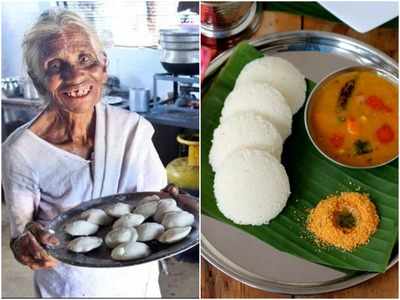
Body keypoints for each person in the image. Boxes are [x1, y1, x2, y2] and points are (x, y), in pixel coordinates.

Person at [2, 9, 167, 297]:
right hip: (72, 289)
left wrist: (175, 202)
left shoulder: (132, 129)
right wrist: (27, 247)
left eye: (85, 59)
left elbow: (159, 201)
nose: (75, 76)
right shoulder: (21, 152)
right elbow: (20, 236)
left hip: (137, 284)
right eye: (55, 66)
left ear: (104, 66)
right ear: (38, 79)